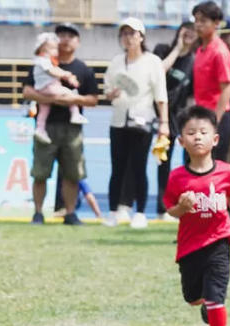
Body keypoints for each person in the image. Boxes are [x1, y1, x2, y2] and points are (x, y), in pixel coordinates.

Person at [163, 106, 230, 326]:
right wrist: (182, 206)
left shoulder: (226, 171)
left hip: (219, 240)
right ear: (181, 141)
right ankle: (205, 306)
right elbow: (171, 210)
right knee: (193, 297)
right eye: (191, 133)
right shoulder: (177, 177)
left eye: (203, 132)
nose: (197, 137)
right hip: (190, 245)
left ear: (215, 139)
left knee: (216, 294)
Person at [22, 23, 98, 226]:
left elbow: (93, 99)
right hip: (46, 127)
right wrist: (52, 99)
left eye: (70, 36)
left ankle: (70, 213)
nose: (65, 39)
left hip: (72, 129)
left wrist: (72, 101)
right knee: (40, 172)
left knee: (72, 174)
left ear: (78, 42)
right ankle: (38, 212)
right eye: (61, 35)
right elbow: (27, 91)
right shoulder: (41, 63)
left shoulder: (83, 69)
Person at [103, 17, 168, 230]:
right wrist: (110, 94)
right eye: (124, 33)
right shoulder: (115, 62)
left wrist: (164, 123)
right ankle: (113, 211)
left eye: (132, 33)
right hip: (119, 121)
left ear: (141, 36)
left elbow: (160, 95)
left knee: (139, 167)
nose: (128, 38)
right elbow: (107, 90)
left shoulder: (153, 62)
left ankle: (140, 212)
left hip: (143, 121)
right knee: (117, 168)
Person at [154, 21, 197, 217]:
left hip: (182, 116)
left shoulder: (195, 60)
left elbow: (192, 95)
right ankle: (163, 207)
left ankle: (187, 205)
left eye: (194, 31)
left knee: (189, 161)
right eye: (185, 29)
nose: (189, 33)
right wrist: (178, 49)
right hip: (160, 114)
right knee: (163, 161)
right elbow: (157, 72)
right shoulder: (163, 50)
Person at [192, 1, 230, 162]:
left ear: (216, 23)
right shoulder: (200, 49)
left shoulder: (219, 51)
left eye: (203, 21)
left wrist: (215, 121)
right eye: (196, 20)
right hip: (200, 115)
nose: (198, 25)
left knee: (214, 167)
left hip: (216, 118)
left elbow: (227, 88)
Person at [30, 32, 86, 145]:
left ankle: (40, 129)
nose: (56, 51)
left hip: (42, 90)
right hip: (49, 88)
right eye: (52, 48)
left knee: (43, 111)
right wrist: (66, 75)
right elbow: (53, 71)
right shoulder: (43, 61)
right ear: (43, 49)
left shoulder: (43, 61)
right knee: (70, 93)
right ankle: (75, 113)